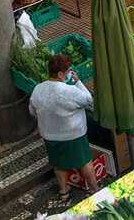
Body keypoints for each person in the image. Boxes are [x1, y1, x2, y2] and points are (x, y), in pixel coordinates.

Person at [29, 55, 98, 200]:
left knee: (58, 164)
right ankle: (94, 189)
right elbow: (88, 100)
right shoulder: (69, 91)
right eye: (67, 72)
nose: (69, 75)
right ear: (60, 74)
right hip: (73, 135)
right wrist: (78, 82)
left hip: (50, 135)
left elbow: (32, 111)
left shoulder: (37, 89)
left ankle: (63, 191)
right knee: (84, 161)